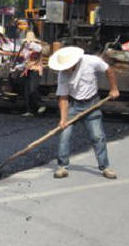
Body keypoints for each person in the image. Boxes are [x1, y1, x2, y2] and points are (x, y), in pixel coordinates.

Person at [49, 46, 119, 179]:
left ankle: (105, 167)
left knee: (98, 137)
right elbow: (63, 98)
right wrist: (63, 119)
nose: (64, 69)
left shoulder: (91, 61)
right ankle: (62, 166)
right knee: (64, 135)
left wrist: (114, 88)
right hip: (74, 105)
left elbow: (108, 70)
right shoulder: (62, 74)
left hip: (92, 104)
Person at [16, 31, 46, 116]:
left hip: (36, 70)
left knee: (33, 89)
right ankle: (29, 110)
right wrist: (17, 67)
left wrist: (30, 43)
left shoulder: (37, 47)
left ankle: (41, 103)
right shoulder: (26, 49)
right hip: (27, 70)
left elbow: (38, 49)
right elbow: (26, 62)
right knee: (26, 91)